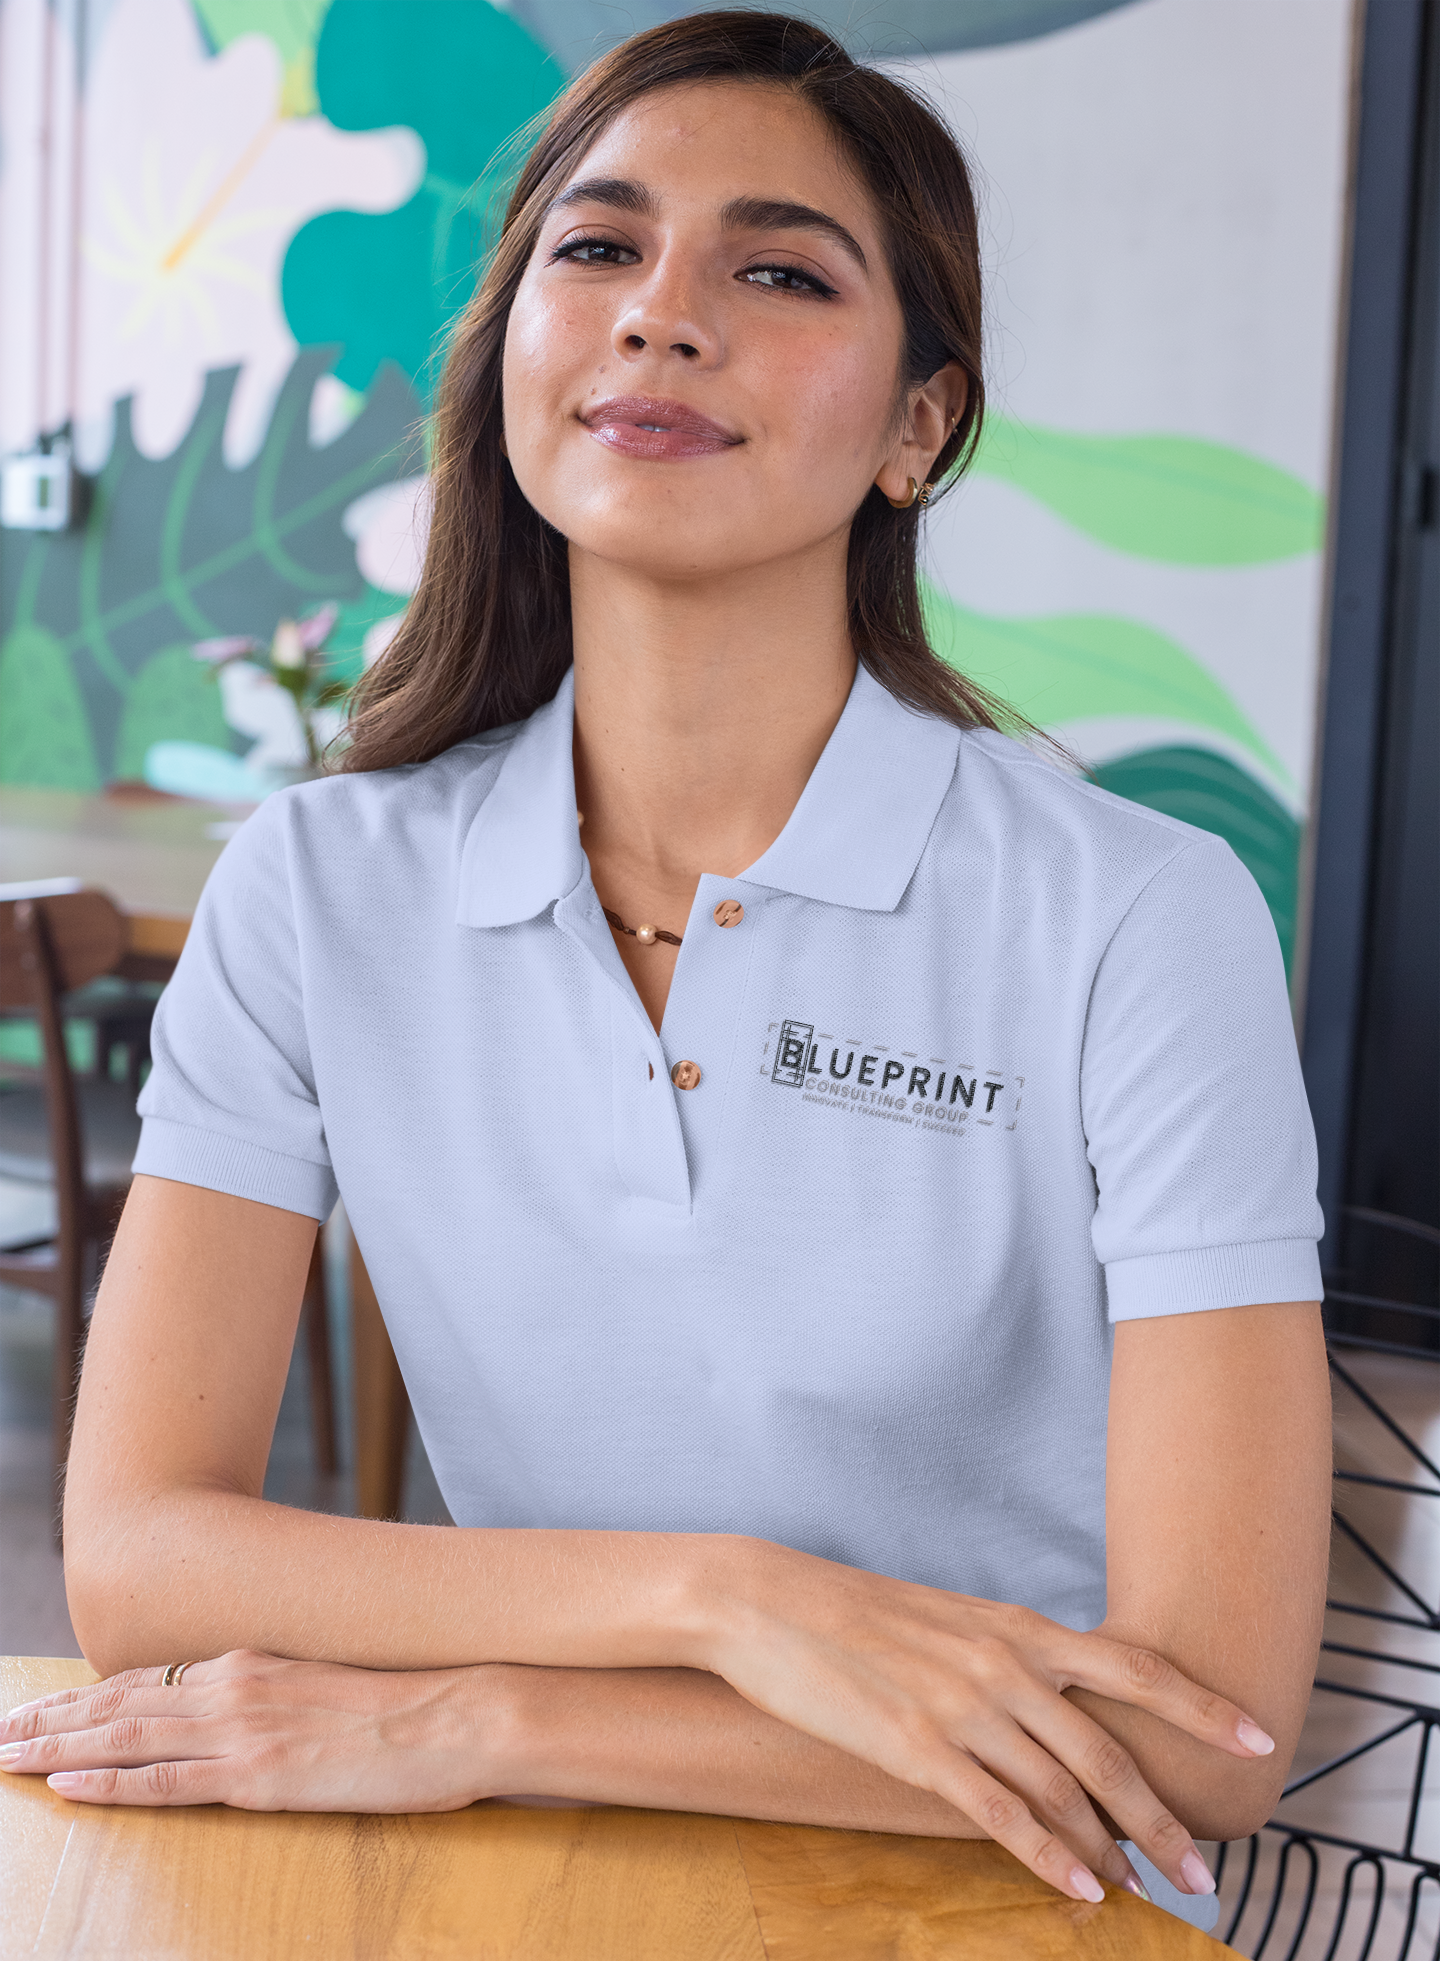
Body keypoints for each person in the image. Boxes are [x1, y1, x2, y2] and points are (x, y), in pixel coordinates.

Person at [0, 12, 1330, 1912]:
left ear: (917, 427)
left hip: (1011, 1889)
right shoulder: (315, 883)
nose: (663, 311)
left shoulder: (1134, 914)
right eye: (599, 248)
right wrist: (725, 1599)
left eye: (778, 269)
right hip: (514, 1876)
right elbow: (138, 1560)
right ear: (521, 350)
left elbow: (1201, 1737)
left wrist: (474, 1714)